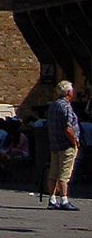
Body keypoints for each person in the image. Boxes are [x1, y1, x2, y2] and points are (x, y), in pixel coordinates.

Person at [48, 80, 80, 210]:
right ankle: (64, 199)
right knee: (64, 174)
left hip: (55, 144)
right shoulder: (66, 106)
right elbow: (68, 128)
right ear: (69, 92)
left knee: (53, 173)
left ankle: (52, 199)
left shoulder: (53, 105)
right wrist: (74, 142)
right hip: (66, 145)